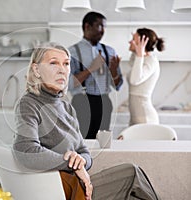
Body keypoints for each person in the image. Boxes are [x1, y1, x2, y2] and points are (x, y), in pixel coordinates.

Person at [13, 42, 160, 200]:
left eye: (66, 64)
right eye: (53, 63)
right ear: (36, 70)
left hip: (77, 183)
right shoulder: (28, 103)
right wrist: (71, 162)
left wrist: (80, 161)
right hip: (59, 189)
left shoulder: (66, 107)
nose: (62, 69)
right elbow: (25, 150)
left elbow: (84, 151)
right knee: (131, 172)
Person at [68, 11, 123, 139]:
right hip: (82, 102)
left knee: (102, 144)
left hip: (104, 102)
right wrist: (91, 68)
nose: (103, 30)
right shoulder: (72, 52)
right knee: (82, 142)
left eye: (104, 27)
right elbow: (69, 84)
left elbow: (118, 85)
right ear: (87, 26)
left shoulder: (110, 51)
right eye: (99, 26)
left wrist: (114, 72)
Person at [127, 28, 165, 125]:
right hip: (136, 117)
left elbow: (135, 80)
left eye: (133, 39)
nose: (130, 41)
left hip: (145, 118)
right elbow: (133, 62)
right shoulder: (139, 59)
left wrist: (140, 54)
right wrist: (139, 53)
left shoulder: (151, 61)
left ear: (142, 43)